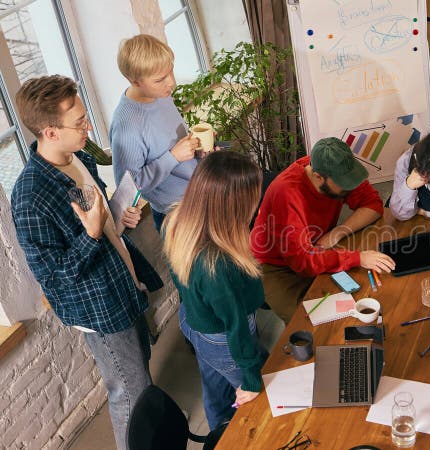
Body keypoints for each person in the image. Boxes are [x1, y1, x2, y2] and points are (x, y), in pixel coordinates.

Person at [11, 75, 163, 450]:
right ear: (49, 132)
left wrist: (115, 218)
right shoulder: (30, 197)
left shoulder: (77, 156)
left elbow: (99, 217)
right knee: (130, 391)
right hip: (99, 308)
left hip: (122, 283)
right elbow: (55, 278)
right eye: (78, 123)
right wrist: (92, 235)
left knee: (141, 373)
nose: (88, 127)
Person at [163, 151, 267, 430]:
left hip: (194, 321)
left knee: (215, 391)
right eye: (254, 197)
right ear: (233, 205)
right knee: (258, 402)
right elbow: (236, 328)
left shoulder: (177, 221)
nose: (257, 203)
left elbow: (180, 279)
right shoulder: (218, 265)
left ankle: (217, 434)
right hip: (224, 339)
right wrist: (253, 381)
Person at [250, 137, 395, 323]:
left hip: (319, 246)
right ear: (318, 177)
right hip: (276, 266)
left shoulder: (335, 167)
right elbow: (302, 261)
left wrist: (338, 232)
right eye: (344, 183)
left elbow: (373, 205)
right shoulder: (286, 194)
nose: (350, 186)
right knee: (308, 322)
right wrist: (358, 257)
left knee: (357, 299)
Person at [110, 34, 201, 232]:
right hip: (176, 215)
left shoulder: (160, 94)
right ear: (135, 81)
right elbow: (129, 188)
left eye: (171, 72)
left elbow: (171, 141)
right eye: (160, 79)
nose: (172, 83)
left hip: (200, 195)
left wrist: (198, 150)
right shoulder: (127, 126)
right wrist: (173, 157)